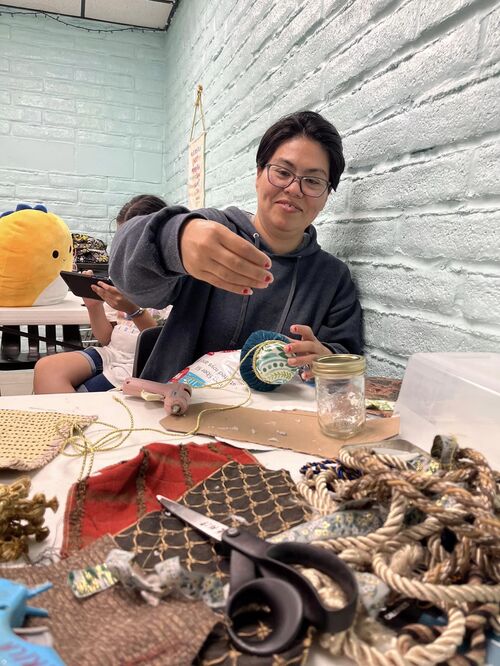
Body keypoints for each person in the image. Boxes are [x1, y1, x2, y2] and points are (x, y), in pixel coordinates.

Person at [109, 111, 363, 384]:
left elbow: (347, 360)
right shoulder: (212, 232)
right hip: (176, 404)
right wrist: (174, 238)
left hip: (275, 410)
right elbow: (128, 276)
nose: (294, 188)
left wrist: (326, 360)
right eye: (282, 172)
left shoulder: (332, 278)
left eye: (312, 181)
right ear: (258, 174)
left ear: (326, 195)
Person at [33, 195, 169, 394]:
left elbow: (164, 347)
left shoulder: (175, 286)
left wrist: (133, 310)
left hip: (139, 364)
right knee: (46, 368)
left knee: (79, 394)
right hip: (111, 354)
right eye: (121, 240)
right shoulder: (124, 278)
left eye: (130, 240)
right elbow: (106, 338)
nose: (124, 249)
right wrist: (94, 306)